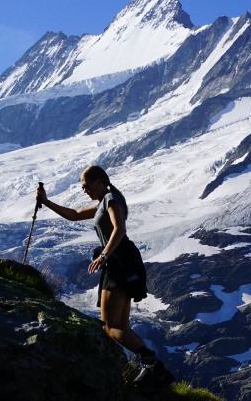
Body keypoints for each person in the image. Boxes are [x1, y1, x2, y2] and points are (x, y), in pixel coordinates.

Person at [36, 165, 173, 388]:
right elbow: (74, 215)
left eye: (87, 186)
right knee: (122, 326)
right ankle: (155, 371)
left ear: (100, 181)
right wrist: (46, 201)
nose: (84, 190)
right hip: (123, 262)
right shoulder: (105, 201)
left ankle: (151, 366)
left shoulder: (110, 199)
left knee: (109, 326)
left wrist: (104, 255)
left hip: (118, 262)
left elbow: (119, 229)